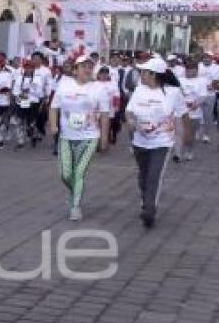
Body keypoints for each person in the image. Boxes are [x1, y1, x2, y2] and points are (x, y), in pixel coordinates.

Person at [125, 57, 186, 228]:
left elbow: (179, 119)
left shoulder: (173, 93)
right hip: (139, 141)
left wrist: (180, 145)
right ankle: (146, 200)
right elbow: (129, 113)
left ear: (154, 74)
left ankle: (149, 210)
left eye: (144, 72)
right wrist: (133, 124)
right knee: (143, 177)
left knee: (154, 176)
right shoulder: (139, 90)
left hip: (162, 142)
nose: (141, 75)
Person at [48, 55, 110, 221]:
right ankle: (76, 190)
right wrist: (53, 125)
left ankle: (75, 206)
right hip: (67, 137)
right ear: (75, 70)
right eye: (84, 66)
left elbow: (104, 115)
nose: (88, 69)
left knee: (79, 172)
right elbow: (53, 107)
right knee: (66, 174)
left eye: (90, 66)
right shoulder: (64, 85)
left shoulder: (99, 88)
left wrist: (104, 137)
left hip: (89, 136)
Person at [177, 58, 209, 162]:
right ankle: (178, 153)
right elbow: (175, 94)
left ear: (196, 70)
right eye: (187, 69)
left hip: (195, 113)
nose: (189, 71)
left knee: (190, 135)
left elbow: (203, 96)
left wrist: (196, 104)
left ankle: (189, 151)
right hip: (181, 112)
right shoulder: (180, 80)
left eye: (192, 69)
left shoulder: (201, 81)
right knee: (180, 133)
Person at [95, 67, 122, 148]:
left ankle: (104, 143)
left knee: (107, 126)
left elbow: (116, 95)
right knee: (97, 126)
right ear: (99, 74)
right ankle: (99, 142)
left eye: (106, 73)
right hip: (97, 109)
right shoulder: (94, 84)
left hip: (109, 109)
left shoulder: (112, 84)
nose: (104, 75)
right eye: (102, 73)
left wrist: (116, 106)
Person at [197, 52, 219, 143]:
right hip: (198, 94)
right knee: (197, 115)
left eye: (208, 57)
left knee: (208, 116)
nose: (206, 59)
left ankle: (206, 135)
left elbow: (215, 80)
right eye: (205, 57)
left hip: (210, 95)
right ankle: (197, 131)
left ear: (211, 58)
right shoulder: (199, 65)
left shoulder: (216, 67)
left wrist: (211, 86)